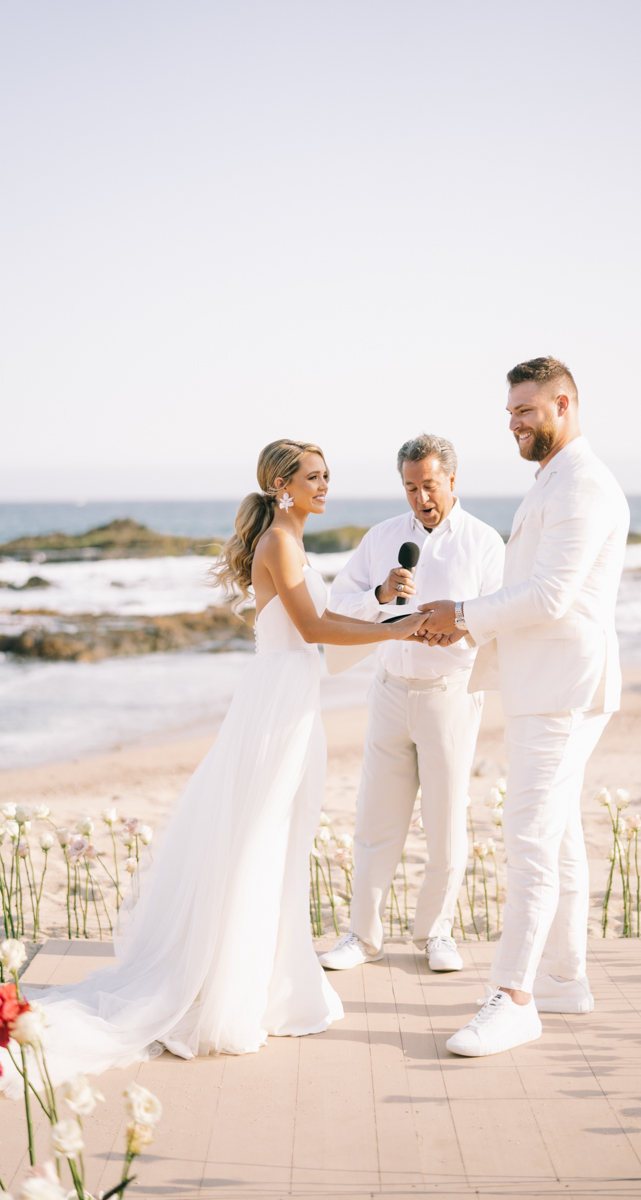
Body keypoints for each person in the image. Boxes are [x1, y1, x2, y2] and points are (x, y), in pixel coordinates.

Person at [0, 439, 424, 1096]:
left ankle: (268, 983)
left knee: (280, 843)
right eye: (313, 477)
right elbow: (314, 627)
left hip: (289, 697)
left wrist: (377, 598)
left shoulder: (290, 539)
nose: (325, 485)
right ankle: (240, 991)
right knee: (259, 842)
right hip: (279, 701)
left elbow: (317, 618)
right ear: (282, 485)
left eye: (327, 475)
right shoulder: (281, 542)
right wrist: (394, 628)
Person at [417, 359, 630, 1056]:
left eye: (526, 411)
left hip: (565, 687)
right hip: (548, 682)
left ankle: (514, 996)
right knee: (558, 833)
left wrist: (464, 614)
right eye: (510, 411)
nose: (513, 422)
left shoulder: (584, 487)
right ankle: (566, 979)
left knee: (529, 836)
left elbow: (550, 595)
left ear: (563, 405)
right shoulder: (556, 480)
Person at [318, 435, 504, 974]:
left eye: (429, 485)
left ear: (451, 481)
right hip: (389, 690)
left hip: (450, 694)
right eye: (410, 487)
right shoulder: (381, 538)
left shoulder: (485, 542)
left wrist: (460, 628)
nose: (420, 497)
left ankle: (436, 934)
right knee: (375, 821)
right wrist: (380, 594)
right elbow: (337, 602)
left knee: (446, 822)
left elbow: (500, 615)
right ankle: (361, 937)